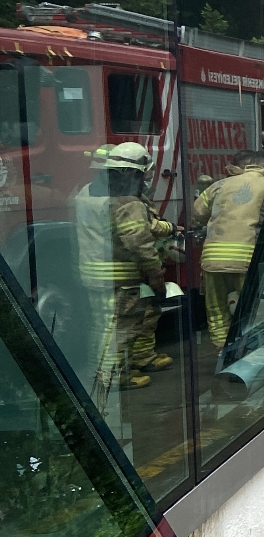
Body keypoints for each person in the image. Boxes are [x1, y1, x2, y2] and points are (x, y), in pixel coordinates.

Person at [78, 142, 168, 397]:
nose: (145, 181)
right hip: (120, 276)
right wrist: (155, 274)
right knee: (121, 328)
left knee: (102, 326)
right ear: (133, 173)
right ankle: (114, 376)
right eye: (143, 175)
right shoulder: (128, 203)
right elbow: (139, 243)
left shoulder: (85, 193)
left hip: (92, 273)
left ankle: (104, 373)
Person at [191, 149, 264, 350]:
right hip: (246, 258)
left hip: (212, 259)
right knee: (253, 309)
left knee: (217, 311)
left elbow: (197, 214)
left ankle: (222, 354)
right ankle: (253, 353)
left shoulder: (220, 185)